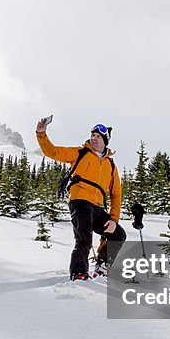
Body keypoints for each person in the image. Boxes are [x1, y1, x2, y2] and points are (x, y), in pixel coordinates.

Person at [36, 119, 127, 281]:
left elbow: (116, 194)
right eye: (92, 135)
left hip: (96, 206)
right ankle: (79, 273)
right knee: (84, 238)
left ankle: (102, 265)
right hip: (80, 201)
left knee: (118, 234)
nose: (93, 138)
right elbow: (53, 152)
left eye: (98, 136)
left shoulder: (111, 166)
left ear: (105, 141)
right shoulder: (80, 153)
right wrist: (41, 134)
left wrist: (113, 219)